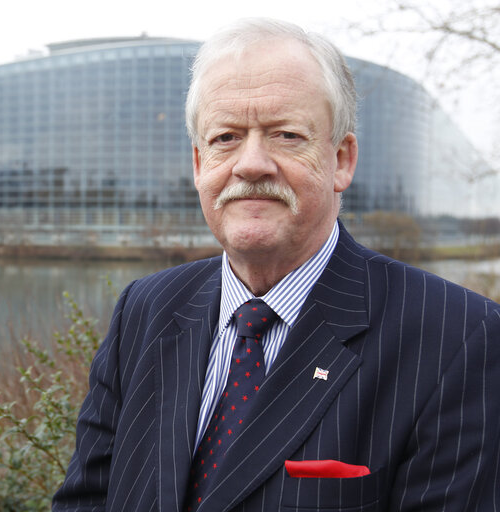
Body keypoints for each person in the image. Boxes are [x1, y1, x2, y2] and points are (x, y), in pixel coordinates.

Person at [52, 18, 500, 511]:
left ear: (342, 160)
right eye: (225, 138)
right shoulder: (145, 309)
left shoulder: (459, 338)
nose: (251, 163)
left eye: (285, 135)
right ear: (200, 165)